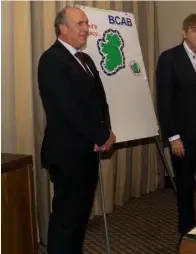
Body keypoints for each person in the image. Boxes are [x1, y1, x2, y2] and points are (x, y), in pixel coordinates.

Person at [38, 6, 116, 254]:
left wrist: (107, 131)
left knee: (80, 215)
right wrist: (101, 135)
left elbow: (99, 101)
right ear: (63, 28)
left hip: (87, 152)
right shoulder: (52, 59)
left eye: (86, 23)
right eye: (80, 24)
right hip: (67, 153)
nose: (86, 29)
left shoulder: (86, 59)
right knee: (66, 219)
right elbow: (66, 108)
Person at [156, 14, 196, 239]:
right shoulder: (169, 58)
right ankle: (187, 234)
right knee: (185, 187)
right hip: (182, 136)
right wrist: (173, 136)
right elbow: (164, 101)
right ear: (184, 32)